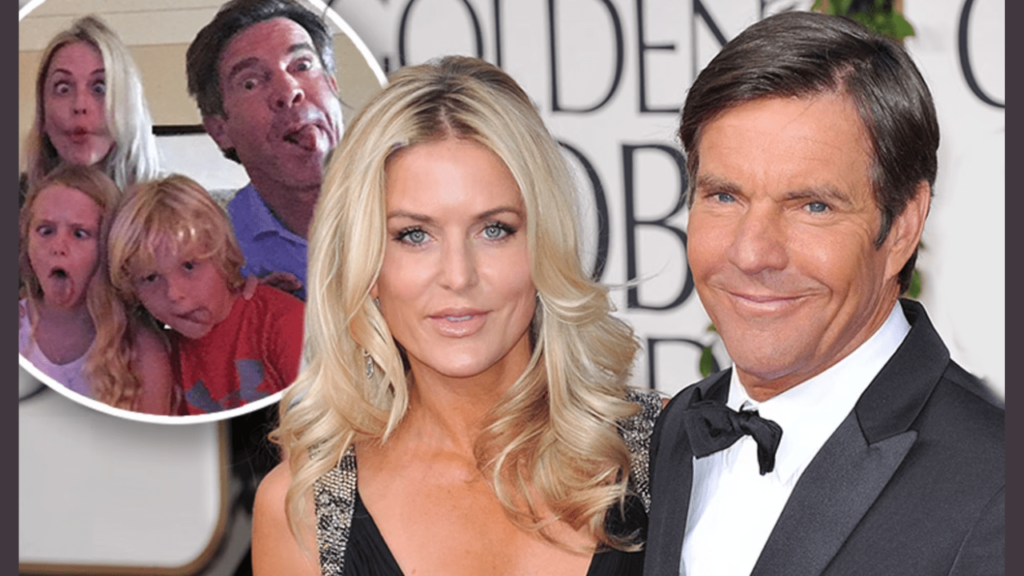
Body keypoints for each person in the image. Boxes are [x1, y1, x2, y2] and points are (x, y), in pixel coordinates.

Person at [251, 56, 663, 575]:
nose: (458, 275)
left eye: (494, 229)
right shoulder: (306, 507)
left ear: (543, 245)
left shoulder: (664, 449)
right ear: (366, 265)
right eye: (414, 235)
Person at [643, 11, 1004, 576]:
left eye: (813, 206)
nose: (752, 254)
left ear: (903, 226)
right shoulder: (675, 430)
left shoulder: (997, 480)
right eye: (724, 196)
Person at [185, 0, 344, 301]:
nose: (289, 90)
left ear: (333, 87)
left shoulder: (420, 186)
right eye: (250, 83)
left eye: (302, 65)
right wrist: (241, 320)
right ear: (220, 130)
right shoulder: (213, 251)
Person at [108, 175, 305, 415]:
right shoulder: (154, 355)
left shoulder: (284, 324)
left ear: (223, 253)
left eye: (189, 266)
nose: (173, 294)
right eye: (150, 278)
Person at [19, 164, 173, 414]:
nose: (58, 246)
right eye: (45, 231)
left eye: (79, 234)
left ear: (107, 246)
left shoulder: (142, 350)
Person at [22, 15, 159, 201]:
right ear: (42, 112)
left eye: (100, 88)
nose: (80, 105)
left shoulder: (170, 211)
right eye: (63, 88)